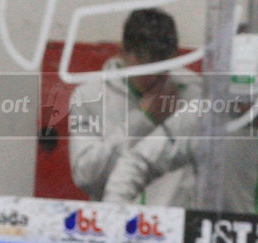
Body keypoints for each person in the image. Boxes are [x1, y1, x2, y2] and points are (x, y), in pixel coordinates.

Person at [101, 31, 258, 219]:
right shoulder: (205, 117)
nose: (240, 107)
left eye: (249, 99)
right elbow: (138, 161)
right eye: (234, 97)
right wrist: (112, 216)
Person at [67, 7, 199, 206]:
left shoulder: (194, 92)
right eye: (147, 66)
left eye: (164, 67)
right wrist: (143, 122)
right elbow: (85, 177)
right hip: (116, 220)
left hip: (176, 224)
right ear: (123, 53)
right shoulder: (89, 97)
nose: (156, 76)